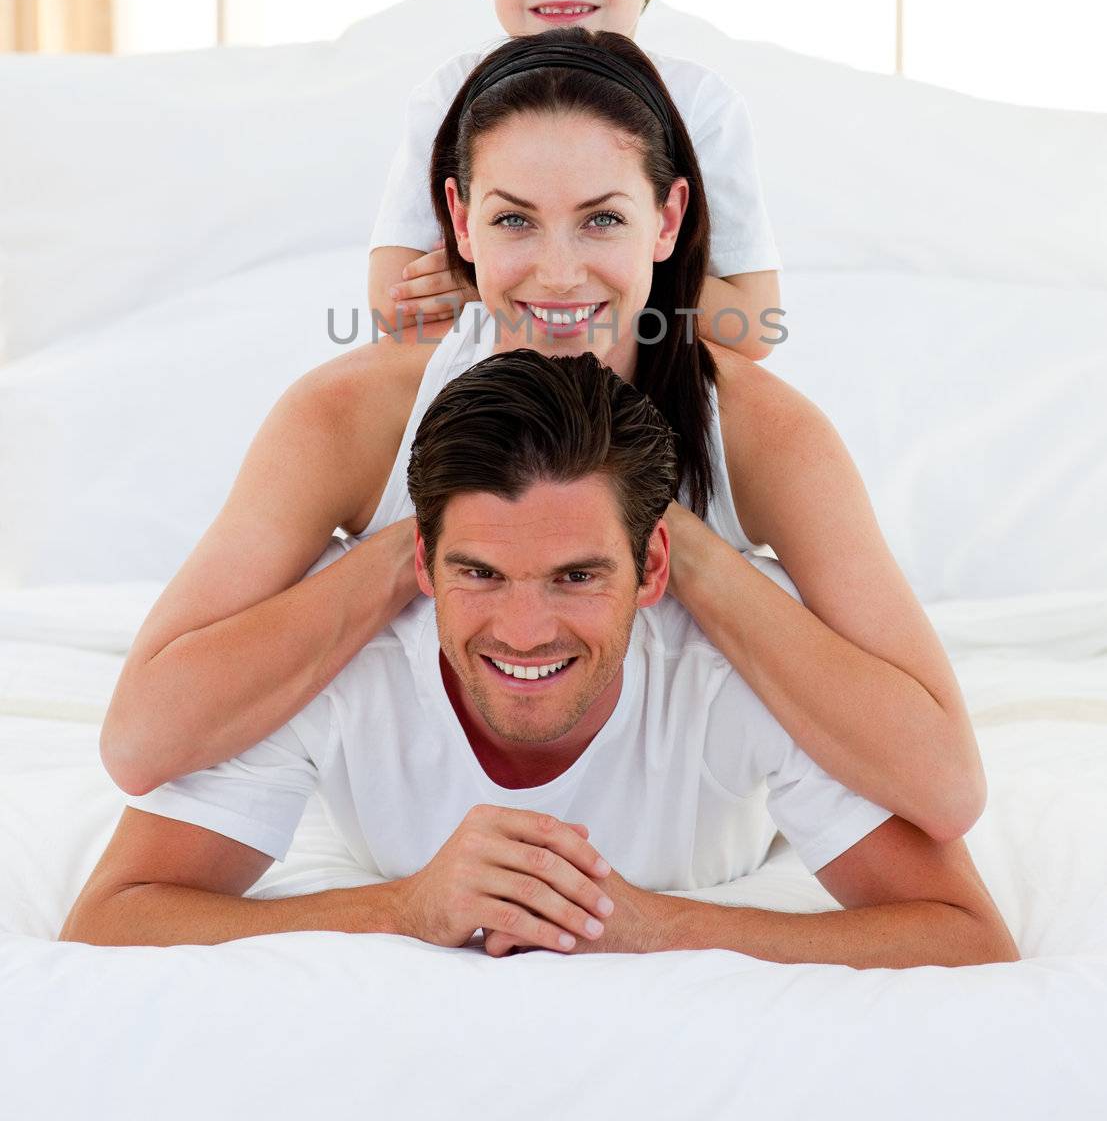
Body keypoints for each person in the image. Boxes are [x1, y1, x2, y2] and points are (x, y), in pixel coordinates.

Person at [99, 32, 986, 860]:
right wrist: (425, 547)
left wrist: (670, 548)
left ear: (667, 219)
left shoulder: (762, 432)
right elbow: (141, 742)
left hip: (692, 853)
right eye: (514, 221)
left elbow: (944, 787)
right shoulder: (349, 417)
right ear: (458, 217)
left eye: (601, 220)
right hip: (415, 843)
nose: (557, 274)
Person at [64, 351, 1018, 968]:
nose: (524, 632)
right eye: (479, 572)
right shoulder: (330, 653)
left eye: (573, 577)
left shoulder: (746, 669)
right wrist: (401, 909)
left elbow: (965, 935)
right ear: (420, 562)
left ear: (652, 568)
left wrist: (655, 927)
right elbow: (115, 914)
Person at [368, 0, 782, 361]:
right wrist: (498, 274)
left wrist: (535, 271)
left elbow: (753, 325)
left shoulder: (700, 105)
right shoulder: (447, 96)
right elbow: (394, 306)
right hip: (492, 391)